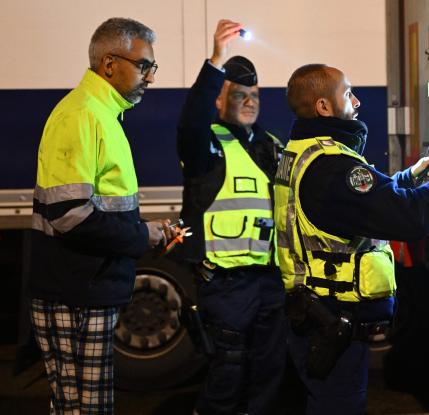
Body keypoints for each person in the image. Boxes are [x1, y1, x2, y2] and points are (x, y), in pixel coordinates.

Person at [274, 63, 429, 414]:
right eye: (347, 93)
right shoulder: (332, 165)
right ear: (324, 107)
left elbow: (348, 209)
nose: (356, 101)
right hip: (332, 319)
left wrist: (409, 178)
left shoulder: (300, 153)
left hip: (313, 311)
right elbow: (413, 218)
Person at [29, 17, 176, 414]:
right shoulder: (81, 115)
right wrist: (141, 236)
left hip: (86, 286)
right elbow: (69, 215)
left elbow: (103, 207)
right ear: (110, 64)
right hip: (74, 291)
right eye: (144, 65)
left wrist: (145, 234)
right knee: (82, 408)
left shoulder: (102, 113)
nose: (151, 77)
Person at [176, 19, 286, 415]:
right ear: (219, 102)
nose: (249, 101)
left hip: (269, 282)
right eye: (238, 94)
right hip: (225, 286)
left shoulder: (271, 146)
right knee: (228, 374)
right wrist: (215, 61)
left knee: (267, 372)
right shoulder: (206, 144)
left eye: (254, 95)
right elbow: (189, 121)